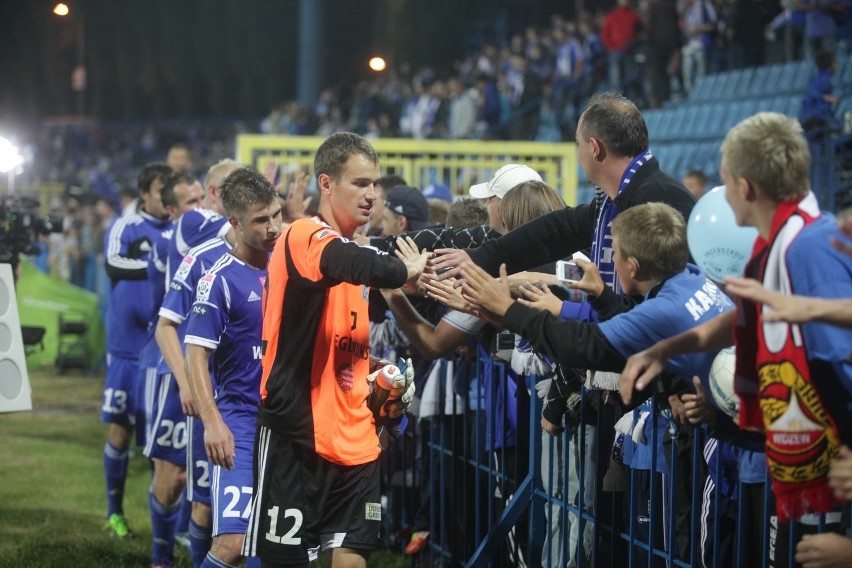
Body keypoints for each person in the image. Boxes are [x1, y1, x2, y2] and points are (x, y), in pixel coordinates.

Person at [620, 112, 852, 540]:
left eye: (725, 184)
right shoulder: (776, 243)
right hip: (793, 465)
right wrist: (665, 349)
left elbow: (842, 366)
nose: (721, 197)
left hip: (825, 485)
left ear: (745, 188)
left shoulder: (809, 250)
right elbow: (744, 320)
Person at [242, 132, 427, 567]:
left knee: (351, 558)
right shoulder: (304, 235)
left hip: (357, 439)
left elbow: (340, 342)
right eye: (360, 183)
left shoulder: (355, 250)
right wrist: (406, 269)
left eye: (375, 184)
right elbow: (350, 263)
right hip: (298, 436)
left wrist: (375, 369)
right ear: (326, 184)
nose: (372, 195)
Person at [183, 168, 283, 568]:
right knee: (232, 543)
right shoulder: (218, 279)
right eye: (261, 220)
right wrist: (212, 422)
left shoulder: (291, 268)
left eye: (276, 215)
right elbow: (195, 353)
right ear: (235, 224)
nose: (274, 227)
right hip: (240, 421)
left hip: (285, 423)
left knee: (273, 541)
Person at [101, 162, 172, 538]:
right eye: (162, 191)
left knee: (163, 444)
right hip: (127, 350)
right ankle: (115, 513)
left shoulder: (181, 229)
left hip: (162, 352)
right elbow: (112, 263)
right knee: (121, 432)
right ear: (145, 193)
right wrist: (158, 265)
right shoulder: (127, 226)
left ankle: (169, 525)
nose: (167, 198)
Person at [143, 172, 207, 568]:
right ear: (173, 212)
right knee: (171, 476)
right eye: (191, 203)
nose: (200, 209)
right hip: (172, 372)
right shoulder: (175, 240)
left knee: (199, 477)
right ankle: (159, 556)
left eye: (203, 198)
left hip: (204, 370)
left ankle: (186, 540)